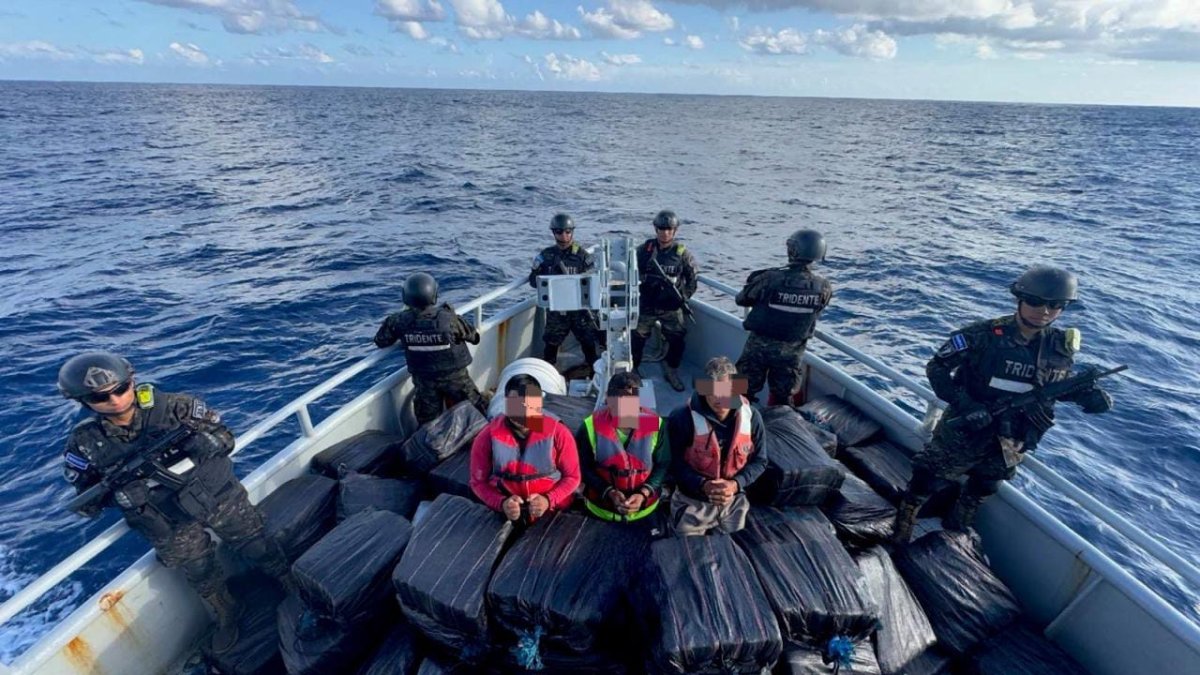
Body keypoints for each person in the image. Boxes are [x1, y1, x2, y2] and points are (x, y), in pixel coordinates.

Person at [58, 352, 291, 654]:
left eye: (120, 389)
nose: (115, 400)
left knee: (256, 542)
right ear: (83, 401)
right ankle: (226, 613)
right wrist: (118, 495)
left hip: (216, 497)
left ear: (132, 382)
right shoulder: (85, 443)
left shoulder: (175, 408)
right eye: (100, 397)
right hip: (167, 521)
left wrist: (207, 444)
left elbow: (225, 437)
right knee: (199, 571)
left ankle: (288, 582)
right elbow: (87, 502)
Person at [892, 266, 1115, 543]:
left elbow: (1052, 388)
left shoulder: (1060, 346)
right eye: (1035, 302)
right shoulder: (982, 336)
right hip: (967, 429)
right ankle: (902, 528)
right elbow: (937, 368)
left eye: (1055, 305)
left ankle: (956, 531)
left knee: (986, 484)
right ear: (1019, 299)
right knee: (929, 478)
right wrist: (966, 404)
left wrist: (1086, 397)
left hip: (1013, 438)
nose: (1044, 311)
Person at [667, 356, 768, 535]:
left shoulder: (753, 417)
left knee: (734, 550)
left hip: (733, 501)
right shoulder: (681, 418)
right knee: (688, 551)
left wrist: (736, 485)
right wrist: (703, 485)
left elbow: (760, 461)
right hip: (693, 502)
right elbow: (672, 463)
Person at [735, 229, 833, 406]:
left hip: (758, 348)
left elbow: (742, 299)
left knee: (739, 389)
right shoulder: (823, 286)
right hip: (791, 354)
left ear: (793, 251)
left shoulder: (770, 277)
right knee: (783, 397)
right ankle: (778, 427)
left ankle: (731, 420)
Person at [374, 272, 485, 426]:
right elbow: (474, 337)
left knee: (428, 425)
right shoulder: (449, 319)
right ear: (434, 295)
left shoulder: (398, 321)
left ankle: (431, 447)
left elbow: (381, 340)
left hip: (424, 383)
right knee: (477, 411)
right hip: (456, 379)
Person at [469, 374, 581, 524]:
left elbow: (573, 477)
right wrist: (502, 503)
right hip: (506, 510)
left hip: (552, 510)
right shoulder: (486, 437)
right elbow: (478, 482)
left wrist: (548, 500)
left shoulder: (559, 433)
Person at [577, 370, 670, 525]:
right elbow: (582, 467)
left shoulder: (655, 424)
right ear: (607, 398)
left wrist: (643, 493)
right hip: (600, 512)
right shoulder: (589, 426)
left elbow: (663, 465)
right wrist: (609, 492)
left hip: (645, 511)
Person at [633, 210, 699, 392]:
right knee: (637, 338)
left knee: (678, 338)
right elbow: (631, 272)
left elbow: (692, 280)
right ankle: (634, 370)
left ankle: (671, 369)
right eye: (661, 228)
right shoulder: (644, 250)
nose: (665, 233)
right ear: (655, 229)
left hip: (670, 307)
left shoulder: (682, 254)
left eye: (669, 229)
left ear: (675, 231)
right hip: (647, 304)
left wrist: (681, 298)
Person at [528, 213, 601, 371]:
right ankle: (548, 375)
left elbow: (593, 282)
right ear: (554, 233)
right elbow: (534, 282)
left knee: (588, 343)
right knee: (551, 345)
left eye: (568, 232)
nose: (564, 236)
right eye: (560, 232)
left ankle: (595, 373)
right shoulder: (546, 257)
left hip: (580, 310)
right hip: (557, 310)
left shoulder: (582, 256)